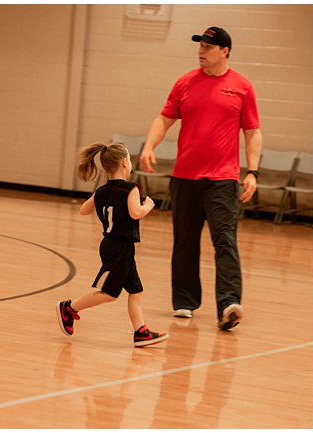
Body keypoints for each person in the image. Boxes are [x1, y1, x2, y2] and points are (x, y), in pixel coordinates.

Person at [140, 26, 261, 330]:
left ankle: (229, 304)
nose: (201, 52)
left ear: (225, 51)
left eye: (208, 47)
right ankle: (184, 302)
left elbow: (253, 132)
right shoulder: (185, 83)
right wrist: (149, 146)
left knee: (225, 241)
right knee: (185, 242)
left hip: (222, 180)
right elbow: (164, 117)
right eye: (200, 46)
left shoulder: (242, 87)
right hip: (184, 177)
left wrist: (252, 172)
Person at [58, 142, 169, 347]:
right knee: (109, 294)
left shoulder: (102, 190)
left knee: (136, 291)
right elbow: (136, 213)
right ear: (125, 162)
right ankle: (70, 308)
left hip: (113, 244)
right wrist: (148, 206)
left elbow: (84, 210)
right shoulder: (131, 188)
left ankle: (140, 332)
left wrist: (101, 198)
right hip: (119, 247)